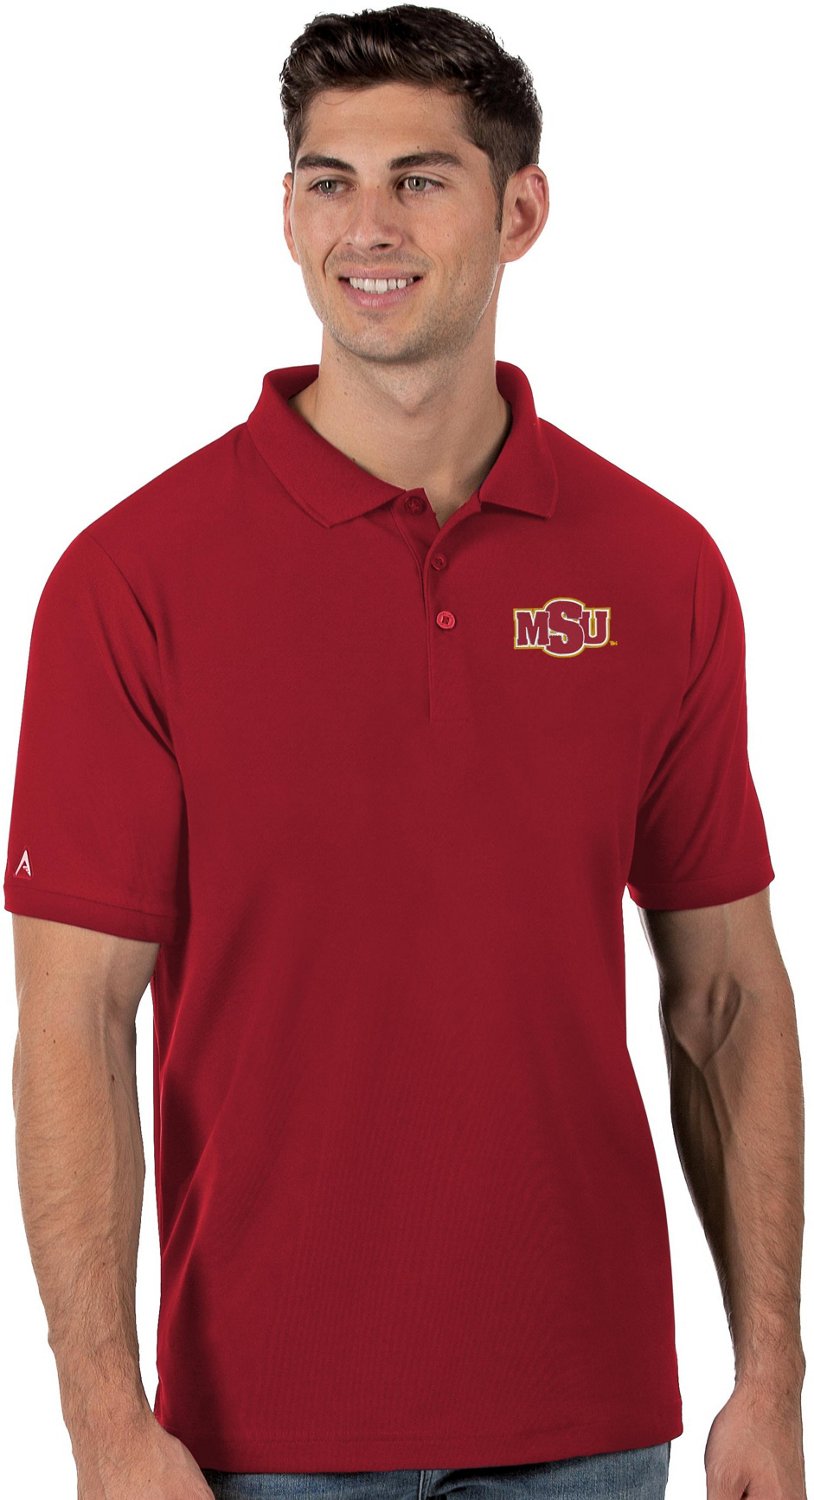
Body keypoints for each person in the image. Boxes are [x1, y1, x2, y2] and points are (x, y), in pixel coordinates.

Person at [4, 5, 806, 1499]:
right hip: (254, 1440)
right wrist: (105, 1426)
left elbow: (727, 999)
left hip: (591, 1424)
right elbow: (71, 1026)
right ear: (287, 213)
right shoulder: (133, 578)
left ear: (521, 212)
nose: (365, 227)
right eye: (329, 182)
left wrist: (771, 1380)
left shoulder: (658, 568)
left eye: (419, 180)